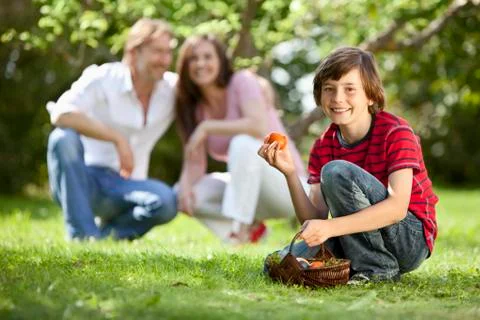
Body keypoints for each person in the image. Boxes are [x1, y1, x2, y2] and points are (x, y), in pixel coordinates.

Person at [259, 46, 438, 283]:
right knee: (283, 261)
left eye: (350, 89)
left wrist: (331, 229)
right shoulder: (323, 144)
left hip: (408, 238)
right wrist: (290, 173)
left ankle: (377, 268)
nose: (337, 98)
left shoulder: (396, 132)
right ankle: (367, 263)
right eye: (329, 89)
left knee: (335, 171)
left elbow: (397, 209)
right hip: (358, 235)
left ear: (371, 95)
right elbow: (315, 217)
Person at [46, 18, 178, 241]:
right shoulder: (104, 78)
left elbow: (208, 92)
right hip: (85, 182)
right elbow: (61, 113)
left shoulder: (171, 89)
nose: (164, 60)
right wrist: (117, 139)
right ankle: (82, 235)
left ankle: (104, 238)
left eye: (168, 52)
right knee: (62, 138)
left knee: (167, 201)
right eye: (157, 51)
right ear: (135, 51)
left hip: (128, 187)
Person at [174, 34, 307, 244]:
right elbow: (194, 162)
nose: (200, 64)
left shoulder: (242, 81)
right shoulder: (196, 108)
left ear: (220, 60)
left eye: (207, 56)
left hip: (288, 188)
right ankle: (251, 234)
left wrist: (207, 127)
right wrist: (183, 190)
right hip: (248, 191)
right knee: (188, 192)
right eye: (193, 58)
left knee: (242, 143)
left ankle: (240, 231)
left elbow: (258, 126)